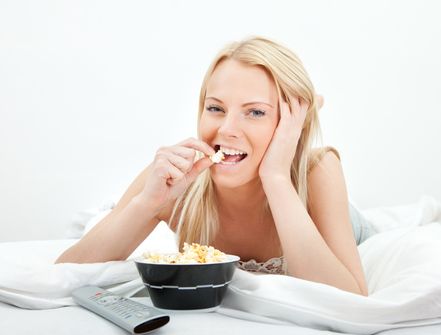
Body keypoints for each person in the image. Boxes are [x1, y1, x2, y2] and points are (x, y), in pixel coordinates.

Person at [56, 36, 375, 296]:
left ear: (290, 124)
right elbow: (66, 273)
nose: (227, 129)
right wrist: (147, 204)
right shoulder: (178, 177)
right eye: (215, 108)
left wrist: (275, 176)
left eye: (256, 112)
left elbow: (352, 298)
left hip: (348, 223)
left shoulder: (318, 169)